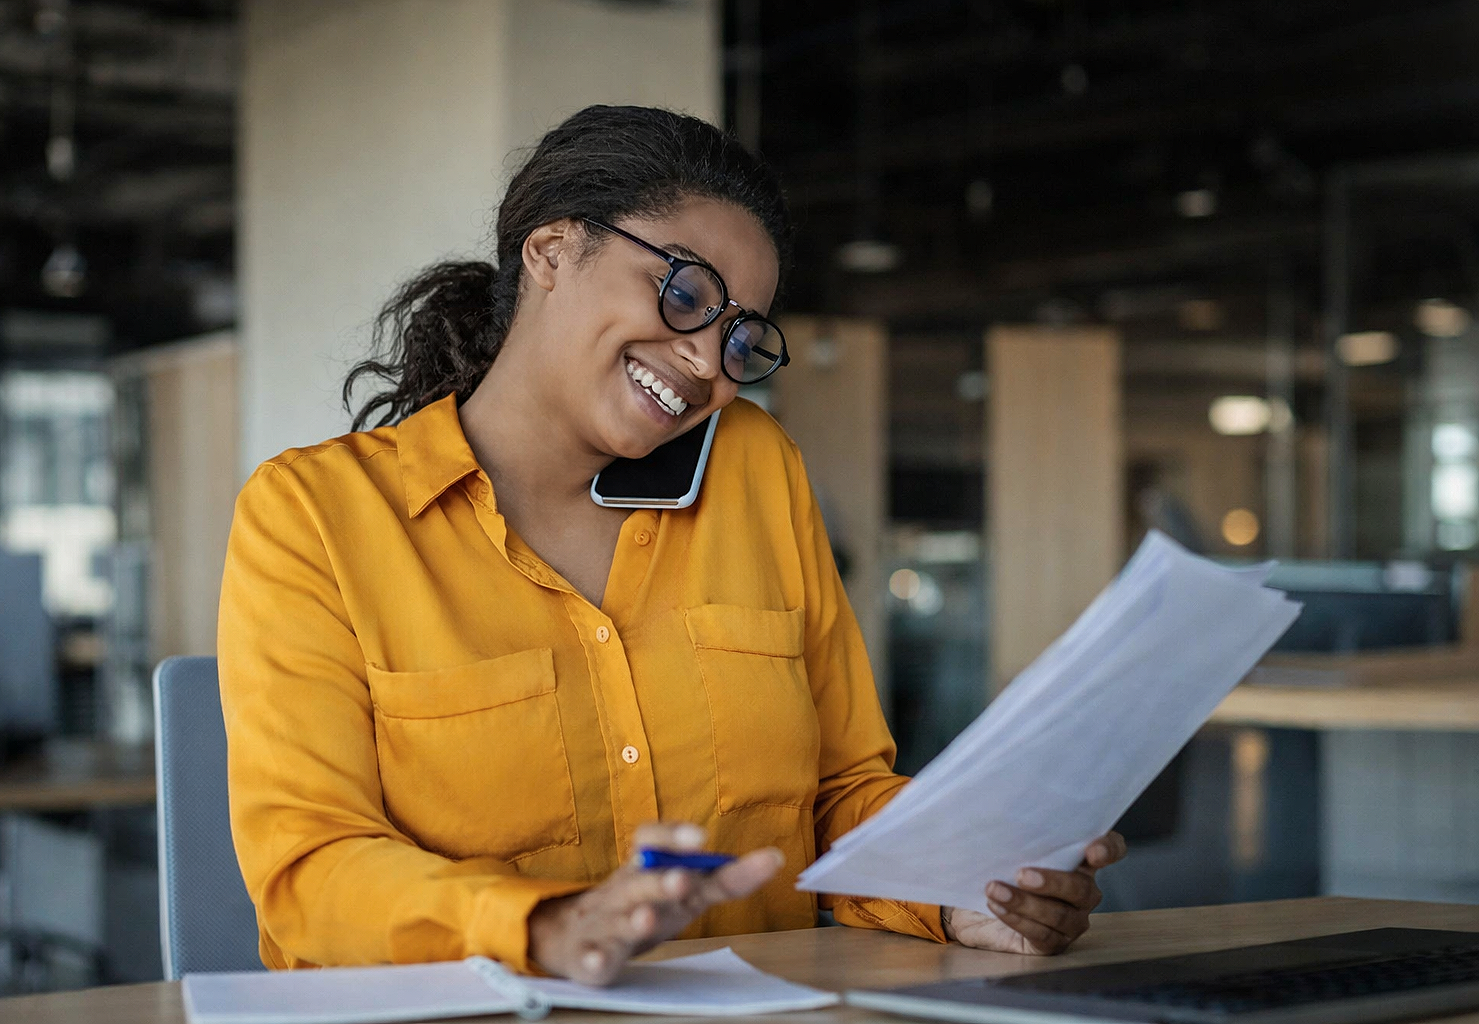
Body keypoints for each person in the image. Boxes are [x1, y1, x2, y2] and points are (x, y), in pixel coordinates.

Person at [217, 105, 1126, 986]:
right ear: (551, 251)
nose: (706, 360)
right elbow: (309, 869)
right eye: (685, 293)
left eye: (741, 338)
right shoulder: (316, 514)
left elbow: (841, 793)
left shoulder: (755, 470)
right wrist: (540, 923)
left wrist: (957, 886)